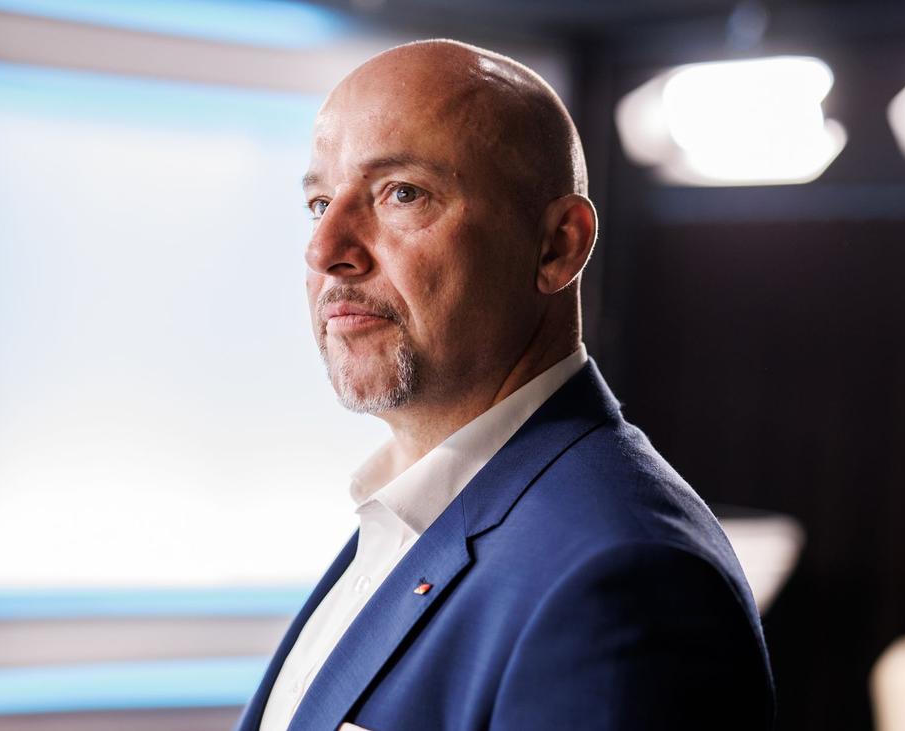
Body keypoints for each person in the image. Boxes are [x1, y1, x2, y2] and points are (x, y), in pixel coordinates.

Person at [237, 39, 774, 731]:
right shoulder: (406, 516)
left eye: (402, 193)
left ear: (557, 246)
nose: (324, 250)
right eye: (319, 202)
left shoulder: (625, 576)